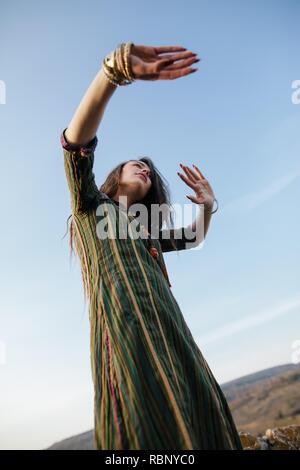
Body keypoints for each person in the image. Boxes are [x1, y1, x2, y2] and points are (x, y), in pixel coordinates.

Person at [60, 42, 243, 450]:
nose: (143, 166)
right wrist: (113, 72)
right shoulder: (91, 207)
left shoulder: (145, 230)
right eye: (133, 163)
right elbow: (75, 146)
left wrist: (209, 207)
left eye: (148, 168)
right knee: (143, 421)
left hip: (174, 333)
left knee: (201, 416)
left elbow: (194, 237)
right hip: (127, 333)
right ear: (113, 175)